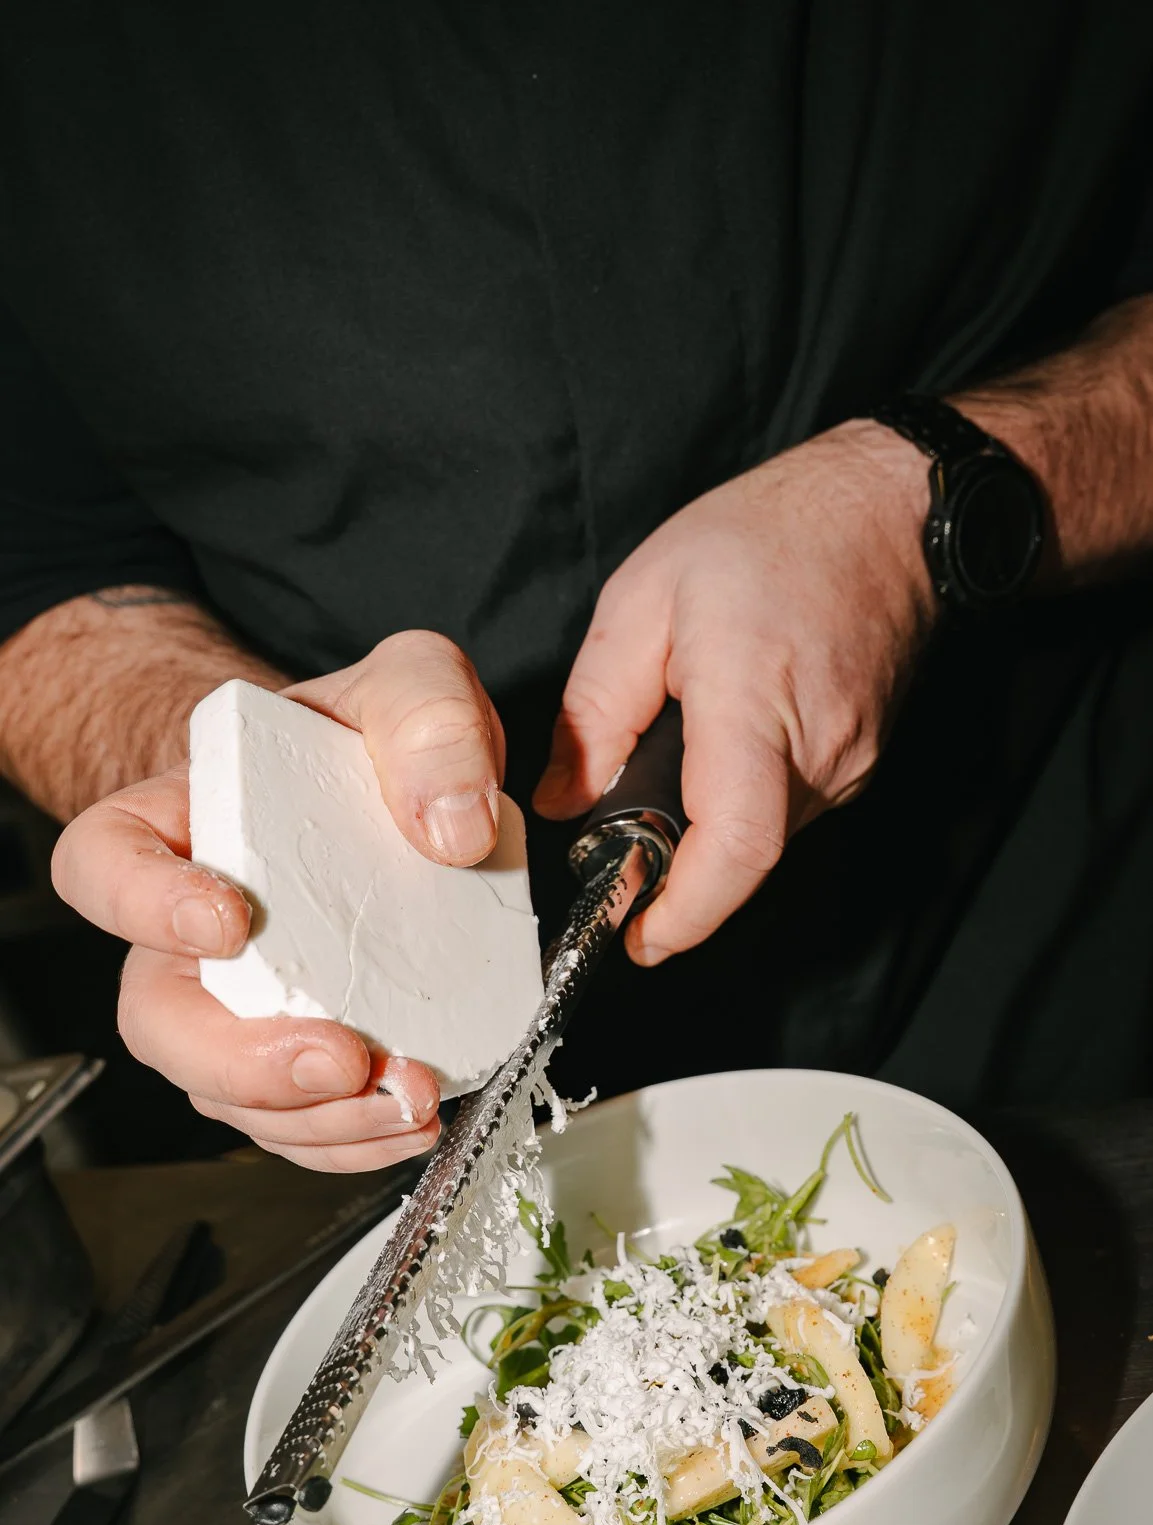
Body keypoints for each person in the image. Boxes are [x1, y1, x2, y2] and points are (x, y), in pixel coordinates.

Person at [1, 7, 1152, 1173]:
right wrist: (252, 818)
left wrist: (930, 496)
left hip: (1050, 886)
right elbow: (37, 569)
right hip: (442, 1042)